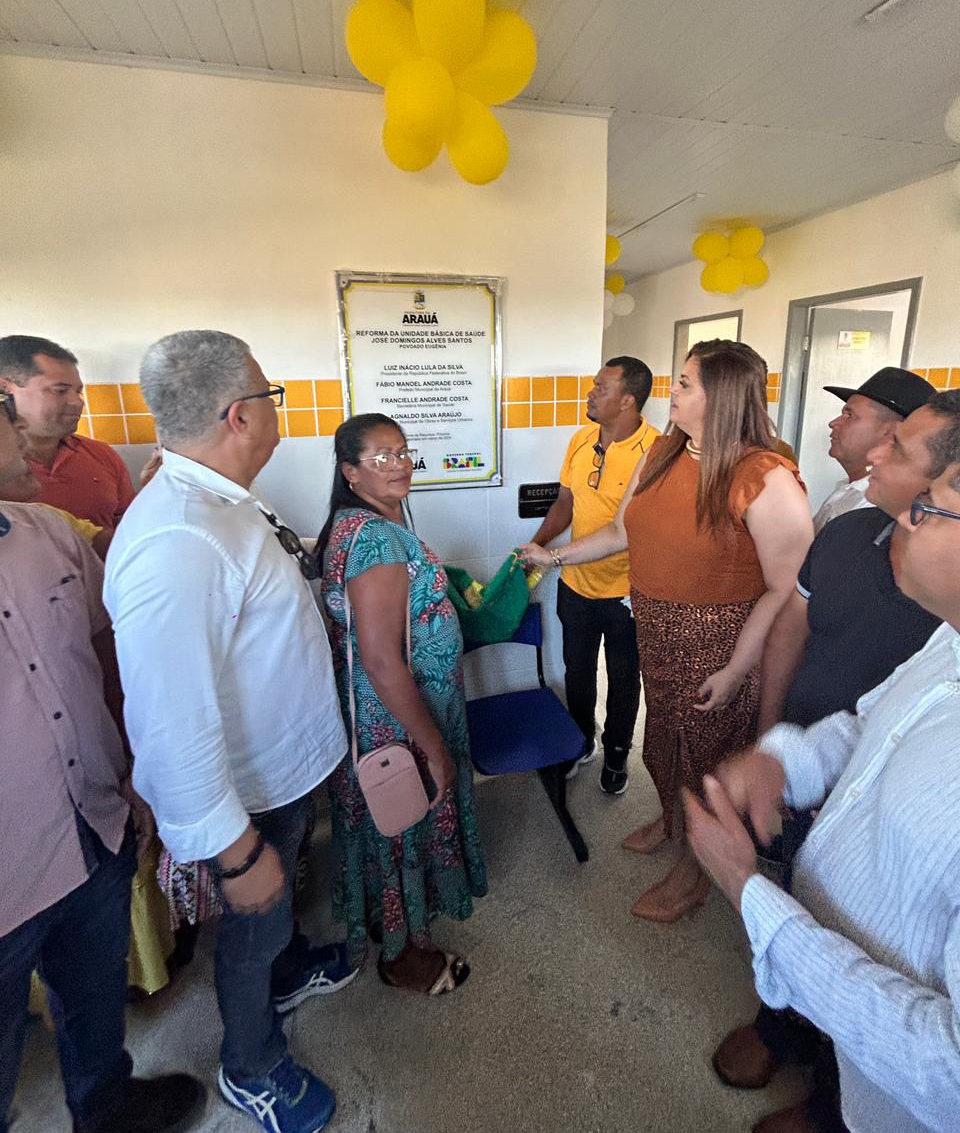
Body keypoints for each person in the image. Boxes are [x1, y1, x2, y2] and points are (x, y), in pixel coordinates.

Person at [104, 330, 353, 1133]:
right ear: (238, 415)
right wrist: (234, 852)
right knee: (253, 924)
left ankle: (288, 968)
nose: (278, 409)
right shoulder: (178, 539)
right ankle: (252, 1066)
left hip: (282, 770)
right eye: (271, 395)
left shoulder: (226, 499)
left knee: (278, 915)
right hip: (245, 796)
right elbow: (168, 722)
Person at [685, 426, 960, 1133]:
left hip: (903, 1109)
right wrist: (784, 760)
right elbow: (873, 725)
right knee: (841, 1082)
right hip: (847, 998)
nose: (907, 519)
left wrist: (747, 891)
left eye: (933, 506)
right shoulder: (950, 641)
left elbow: (947, 1075)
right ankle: (818, 1094)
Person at [521, 340, 813, 922]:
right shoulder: (663, 453)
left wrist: (737, 669)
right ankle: (673, 820)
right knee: (663, 742)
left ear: (721, 396)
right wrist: (550, 557)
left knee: (708, 759)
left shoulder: (765, 476)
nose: (671, 391)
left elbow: (787, 590)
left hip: (718, 642)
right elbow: (619, 533)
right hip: (655, 629)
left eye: (685, 383)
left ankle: (696, 870)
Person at [0, 388, 203, 1133]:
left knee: (92, 1000)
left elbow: (106, 645)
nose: (26, 438)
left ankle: (108, 1109)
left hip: (91, 823)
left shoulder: (48, 535)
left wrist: (132, 758)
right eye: (8, 426)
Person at [318, 413, 488, 994]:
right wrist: (433, 745)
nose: (398, 464)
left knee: (388, 821)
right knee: (406, 821)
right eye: (380, 457)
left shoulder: (357, 524)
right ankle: (405, 954)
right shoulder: (375, 539)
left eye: (402, 451)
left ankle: (390, 926)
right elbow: (382, 660)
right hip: (399, 717)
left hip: (387, 710)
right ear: (350, 472)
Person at [530, 357, 659, 795]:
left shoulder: (656, 452)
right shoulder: (581, 439)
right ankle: (581, 741)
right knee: (578, 671)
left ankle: (617, 753)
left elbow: (632, 531)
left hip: (628, 594)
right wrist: (537, 547)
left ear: (628, 400)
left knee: (624, 679)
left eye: (601, 387)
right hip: (576, 585)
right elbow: (565, 504)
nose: (590, 392)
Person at [0, 336, 135, 531]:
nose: (77, 402)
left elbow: (129, 529)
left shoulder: (101, 455)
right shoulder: (5, 468)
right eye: (60, 391)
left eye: (78, 392)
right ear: (6, 389)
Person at [812, 367, 932, 533]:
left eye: (850, 415)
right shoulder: (852, 490)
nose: (833, 423)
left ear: (890, 432)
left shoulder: (877, 506)